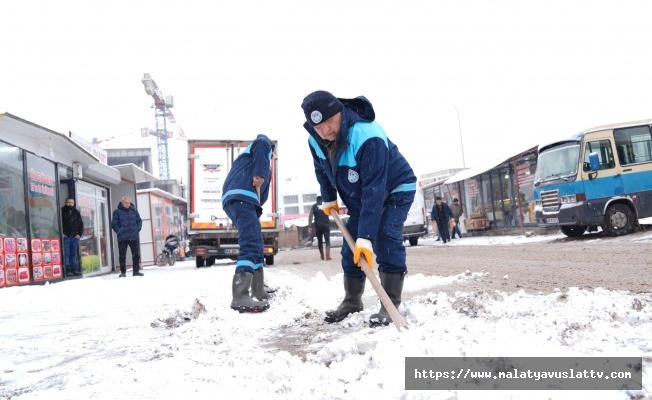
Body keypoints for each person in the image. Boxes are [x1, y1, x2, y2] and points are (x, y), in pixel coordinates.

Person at [301, 90, 417, 328]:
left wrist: (367, 238)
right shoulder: (316, 139)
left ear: (340, 113)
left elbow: (375, 190)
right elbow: (322, 170)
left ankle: (390, 303)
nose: (325, 131)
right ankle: (352, 300)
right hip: (363, 197)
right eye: (318, 127)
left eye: (329, 123)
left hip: (394, 189)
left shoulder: (367, 134)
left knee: (384, 236)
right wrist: (329, 197)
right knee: (351, 244)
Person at [222, 134, 274, 313]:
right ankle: (240, 295)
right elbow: (262, 141)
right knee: (250, 242)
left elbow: (263, 194)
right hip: (241, 196)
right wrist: (259, 173)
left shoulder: (260, 159)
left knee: (256, 242)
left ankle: (258, 290)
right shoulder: (264, 145)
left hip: (243, 200)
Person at [111, 196, 143, 277]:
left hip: (133, 236)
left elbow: (139, 221)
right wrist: (119, 231)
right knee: (122, 256)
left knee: (136, 255)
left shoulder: (134, 211)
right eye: (126, 203)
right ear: (122, 203)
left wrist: (137, 229)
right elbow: (114, 224)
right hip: (122, 238)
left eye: (128, 203)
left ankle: (136, 271)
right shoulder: (117, 212)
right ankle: (123, 272)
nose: (127, 204)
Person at [61, 198, 84, 276]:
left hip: (74, 237)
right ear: (65, 202)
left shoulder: (76, 212)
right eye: (68, 202)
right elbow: (56, 223)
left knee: (73, 253)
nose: (70, 204)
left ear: (74, 203)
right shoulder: (61, 211)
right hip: (66, 236)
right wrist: (61, 233)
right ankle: (67, 270)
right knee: (66, 253)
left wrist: (79, 234)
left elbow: (81, 224)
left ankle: (74, 269)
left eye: (71, 202)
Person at [308, 196, 332, 260]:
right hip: (326, 225)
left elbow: (310, 216)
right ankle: (327, 256)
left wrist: (309, 226)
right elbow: (331, 212)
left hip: (318, 226)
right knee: (327, 241)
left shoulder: (314, 206)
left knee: (320, 241)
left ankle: (322, 256)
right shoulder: (326, 205)